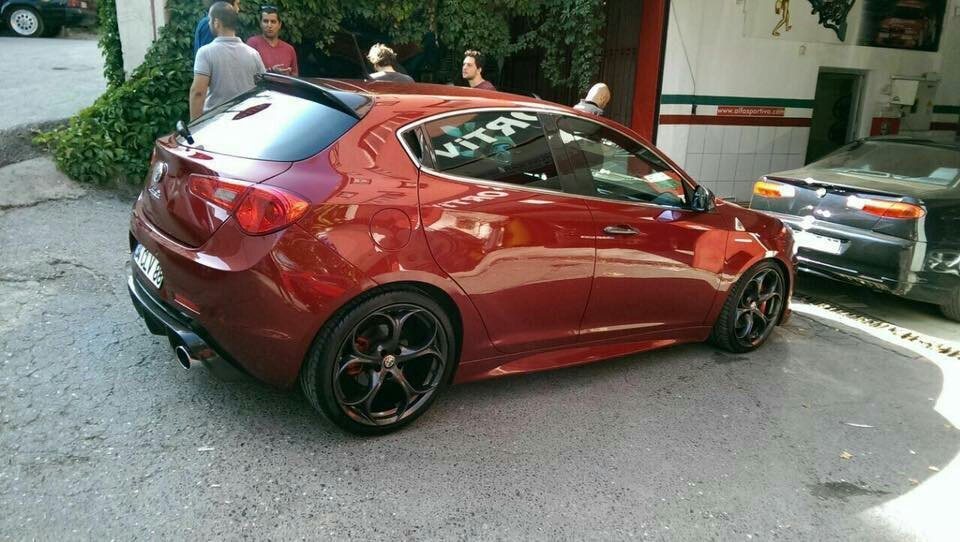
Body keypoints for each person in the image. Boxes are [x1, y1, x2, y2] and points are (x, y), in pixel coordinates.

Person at [190, 2, 265, 120]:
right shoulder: (253, 54)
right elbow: (263, 88)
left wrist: (195, 126)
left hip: (216, 122)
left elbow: (198, 92)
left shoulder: (205, 53)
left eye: (210, 20)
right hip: (247, 120)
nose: (208, 23)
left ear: (216, 23)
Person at [246, 5, 298, 76]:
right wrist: (271, 71)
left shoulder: (289, 49)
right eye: (265, 21)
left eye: (273, 22)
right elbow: (247, 72)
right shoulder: (252, 43)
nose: (269, 25)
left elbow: (295, 76)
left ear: (279, 25)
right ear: (260, 24)